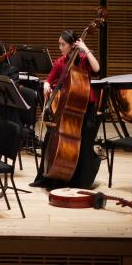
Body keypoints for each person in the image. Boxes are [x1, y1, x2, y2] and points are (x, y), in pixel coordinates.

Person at [30, 28, 101, 190]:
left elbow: (97, 69)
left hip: (86, 109)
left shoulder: (83, 60)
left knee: (83, 143)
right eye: (59, 44)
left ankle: (80, 180)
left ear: (72, 45)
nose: (60, 47)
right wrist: (46, 86)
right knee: (49, 136)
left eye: (63, 44)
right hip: (69, 108)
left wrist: (86, 50)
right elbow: (48, 80)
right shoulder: (61, 62)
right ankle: (50, 175)